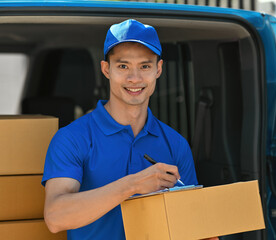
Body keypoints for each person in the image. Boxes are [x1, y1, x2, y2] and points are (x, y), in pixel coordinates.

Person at [42, 19, 199, 240]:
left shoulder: (176, 144)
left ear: (158, 69)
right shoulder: (72, 139)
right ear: (106, 69)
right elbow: (56, 217)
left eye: (145, 66)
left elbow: (188, 220)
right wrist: (132, 185)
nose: (134, 78)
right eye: (123, 66)